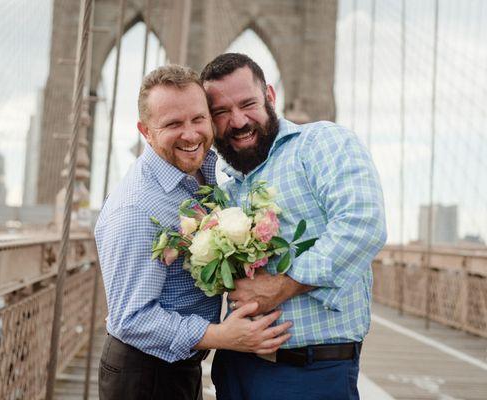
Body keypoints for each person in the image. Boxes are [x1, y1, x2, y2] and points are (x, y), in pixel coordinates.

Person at [94, 64, 292, 400]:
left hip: (179, 368)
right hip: (144, 375)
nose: (190, 134)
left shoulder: (202, 171)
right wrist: (222, 336)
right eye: (172, 124)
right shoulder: (137, 208)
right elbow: (130, 319)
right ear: (146, 131)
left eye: (198, 119)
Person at [200, 53, 387, 400]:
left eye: (247, 104)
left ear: (270, 96)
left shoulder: (321, 143)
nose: (237, 121)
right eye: (221, 113)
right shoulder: (223, 188)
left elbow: (363, 224)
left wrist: (283, 286)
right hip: (234, 371)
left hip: (309, 374)